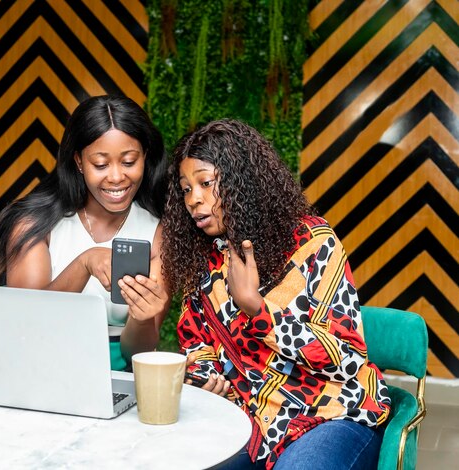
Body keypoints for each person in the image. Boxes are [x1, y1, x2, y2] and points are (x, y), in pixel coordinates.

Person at [161, 119, 390, 469]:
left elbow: (346, 359)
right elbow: (197, 344)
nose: (194, 199)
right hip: (246, 422)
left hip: (329, 412)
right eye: (186, 188)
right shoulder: (204, 260)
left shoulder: (312, 244)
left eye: (205, 183)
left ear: (241, 182)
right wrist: (205, 379)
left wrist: (257, 309)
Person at [0, 95, 170, 371]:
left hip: (115, 375)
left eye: (129, 162)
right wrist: (85, 262)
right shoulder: (34, 224)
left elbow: (137, 352)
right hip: (35, 367)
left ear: (145, 156)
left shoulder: (158, 233)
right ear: (79, 162)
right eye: (100, 164)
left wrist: (143, 318)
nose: (117, 177)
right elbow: (27, 324)